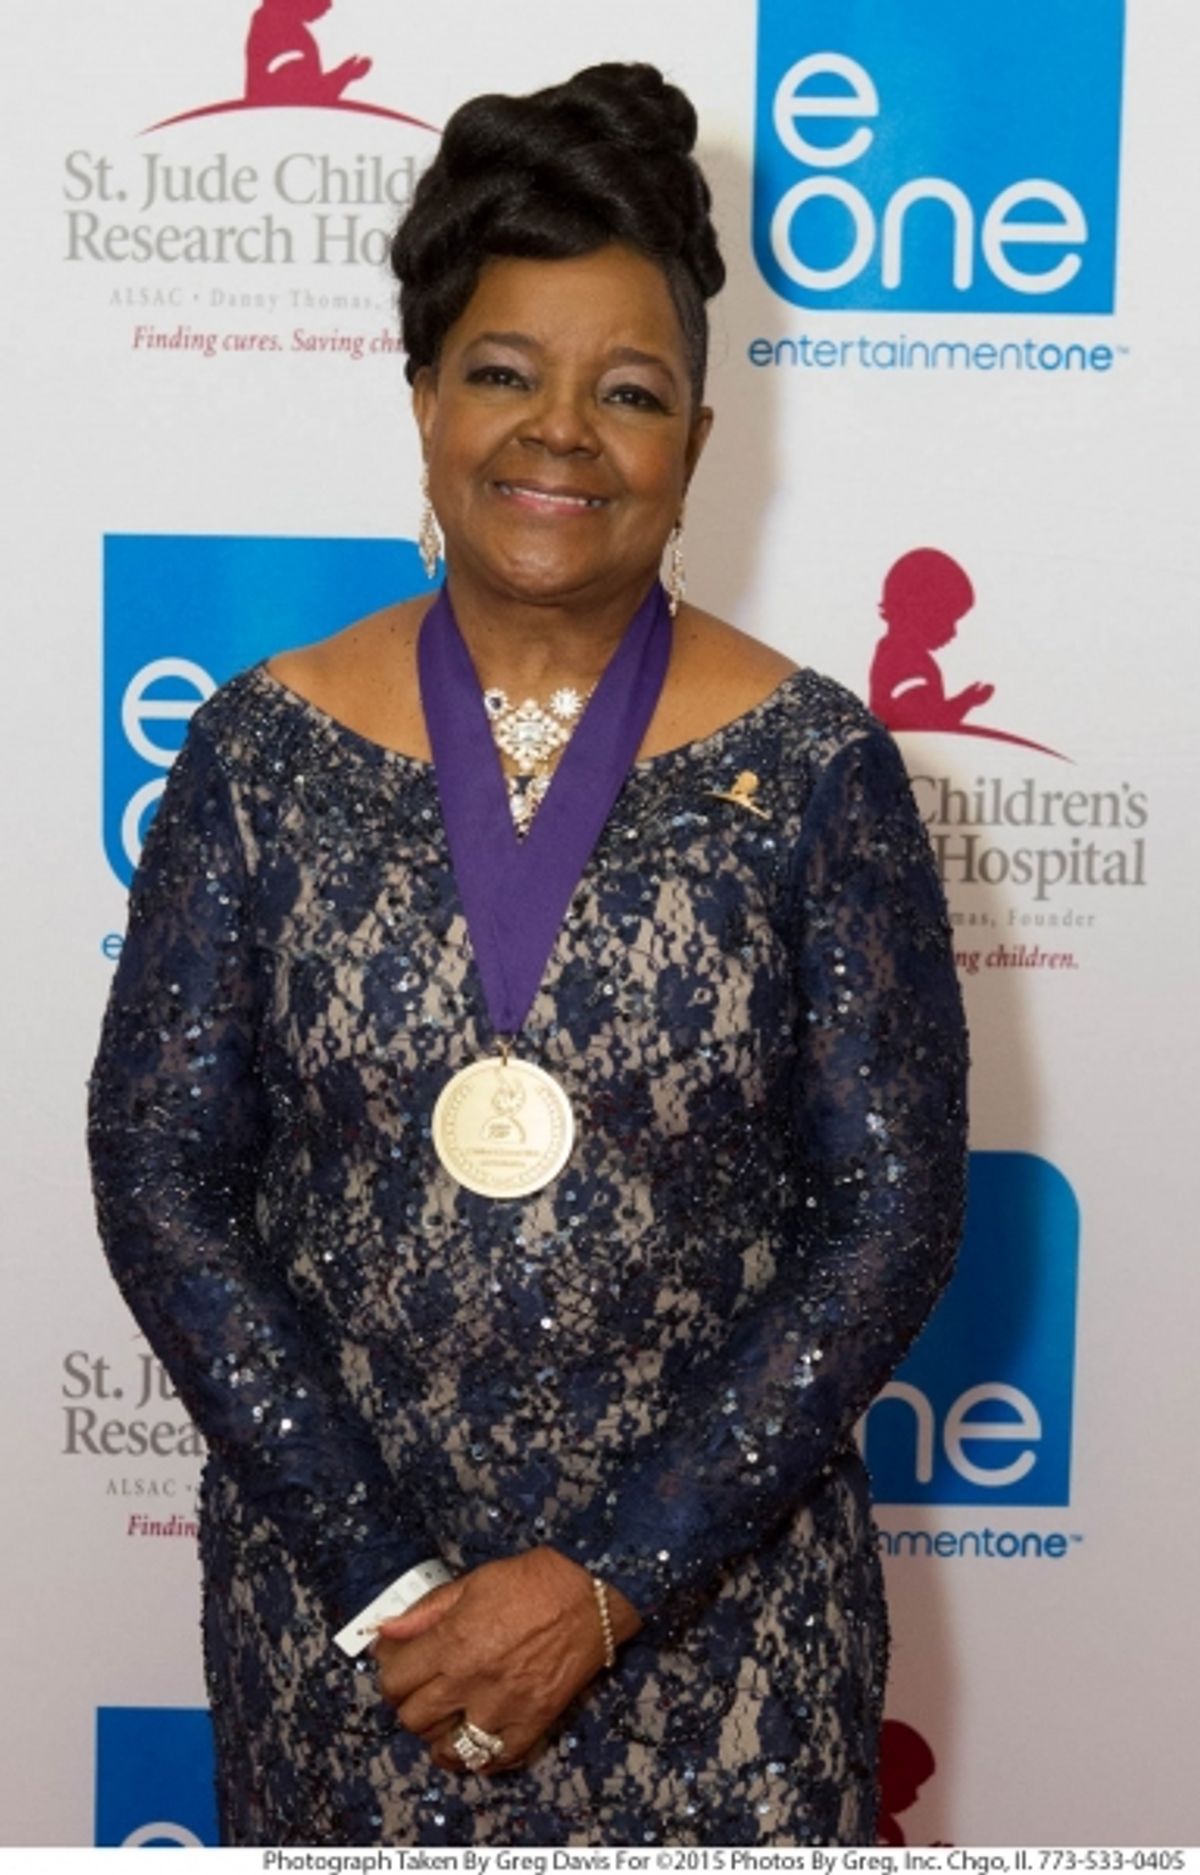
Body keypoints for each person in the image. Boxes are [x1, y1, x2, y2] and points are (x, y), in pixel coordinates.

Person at [87, 63, 969, 1848]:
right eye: (503, 371)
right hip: (359, 1653)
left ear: (699, 446)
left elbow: (888, 1213)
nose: (560, 432)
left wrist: (613, 1581)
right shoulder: (259, 751)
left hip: (721, 1646)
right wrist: (387, 1574)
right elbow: (161, 1174)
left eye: (628, 392)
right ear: (422, 398)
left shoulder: (815, 770)